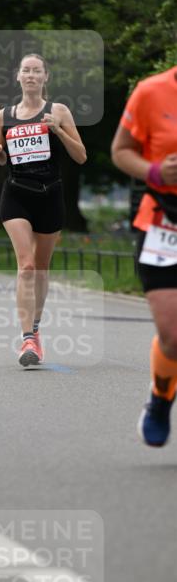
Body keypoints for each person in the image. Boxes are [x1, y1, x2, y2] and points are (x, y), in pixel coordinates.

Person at [0, 55, 86, 365]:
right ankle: (27, 339)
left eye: (36, 71)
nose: (31, 75)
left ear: (45, 77)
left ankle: (36, 328)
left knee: (41, 267)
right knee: (26, 265)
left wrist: (58, 130)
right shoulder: (5, 114)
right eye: (26, 71)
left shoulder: (58, 111)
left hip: (50, 195)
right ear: (17, 77)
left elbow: (81, 156)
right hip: (16, 194)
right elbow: (6, 159)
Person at [111, 65, 177, 447]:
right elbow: (120, 151)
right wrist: (154, 171)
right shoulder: (151, 91)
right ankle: (160, 399)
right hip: (162, 225)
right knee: (172, 336)